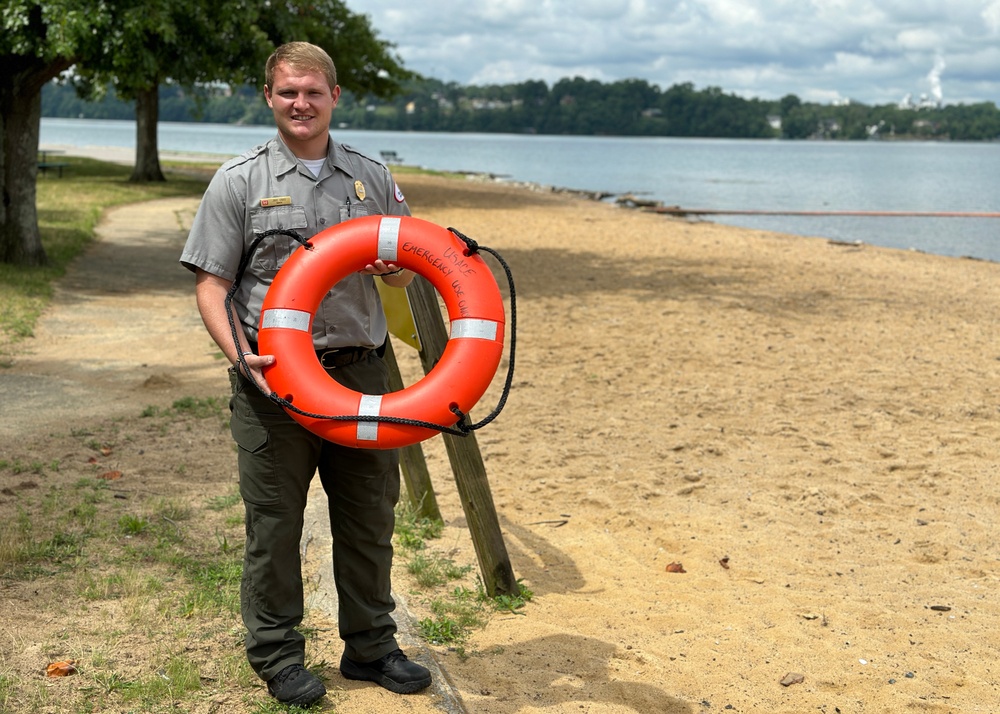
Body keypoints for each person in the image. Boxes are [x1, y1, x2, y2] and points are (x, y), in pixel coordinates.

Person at [179, 41, 430, 708]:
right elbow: (211, 285)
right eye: (289, 91)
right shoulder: (238, 181)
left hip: (361, 374)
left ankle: (372, 645)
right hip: (273, 382)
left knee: (370, 515)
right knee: (275, 523)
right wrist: (241, 356)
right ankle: (278, 656)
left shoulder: (371, 178)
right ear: (269, 96)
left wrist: (393, 268)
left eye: (313, 92)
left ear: (335, 97)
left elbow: (408, 265)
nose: (301, 103)